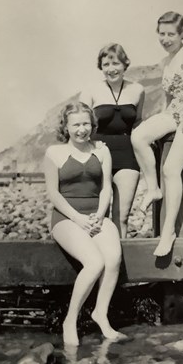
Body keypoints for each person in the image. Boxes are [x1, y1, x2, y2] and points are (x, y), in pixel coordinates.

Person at [131, 11, 183, 257]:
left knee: (170, 168)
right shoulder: (165, 62)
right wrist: (160, 122)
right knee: (138, 136)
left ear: (182, 34)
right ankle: (153, 189)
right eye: (162, 33)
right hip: (175, 112)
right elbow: (168, 98)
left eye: (171, 34)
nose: (165, 39)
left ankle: (168, 232)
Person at [44, 101, 125, 346]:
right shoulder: (53, 153)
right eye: (76, 124)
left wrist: (100, 215)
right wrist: (78, 219)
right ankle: (71, 320)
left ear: (93, 124)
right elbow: (53, 194)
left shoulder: (102, 150)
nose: (82, 129)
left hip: (96, 214)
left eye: (86, 123)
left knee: (112, 258)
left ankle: (101, 313)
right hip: (66, 218)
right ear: (66, 127)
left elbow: (106, 188)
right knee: (94, 262)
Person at [80, 43, 145, 238]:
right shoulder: (91, 90)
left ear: (125, 64)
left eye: (115, 63)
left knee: (121, 216)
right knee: (96, 215)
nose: (111, 69)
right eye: (106, 64)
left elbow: (138, 122)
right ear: (101, 67)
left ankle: (118, 265)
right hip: (97, 154)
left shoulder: (138, 90)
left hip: (127, 155)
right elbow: (81, 124)